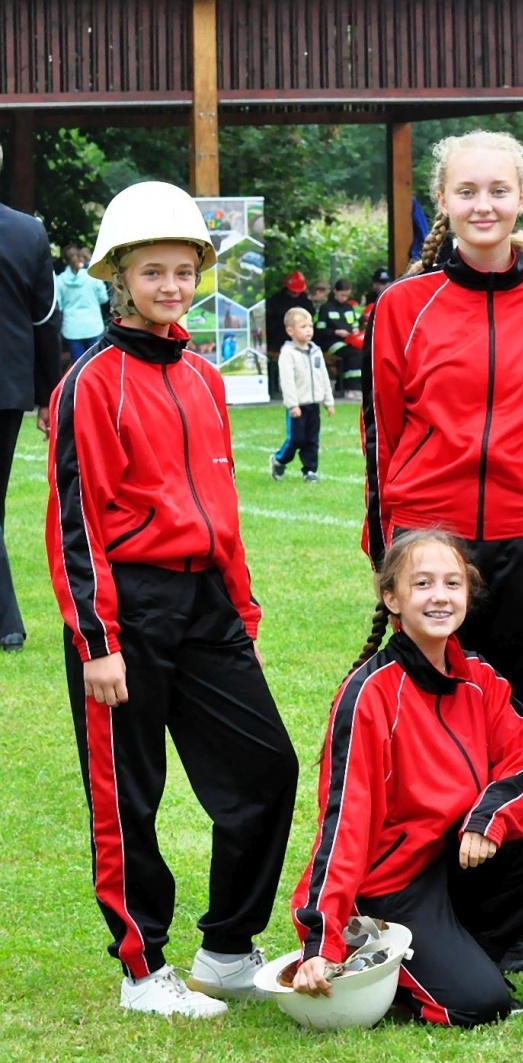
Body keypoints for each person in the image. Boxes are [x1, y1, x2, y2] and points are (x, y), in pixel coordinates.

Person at [45, 181, 298, 1017]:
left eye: (184, 271)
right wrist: (98, 642)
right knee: (130, 795)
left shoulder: (201, 376)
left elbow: (221, 508)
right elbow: (76, 525)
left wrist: (243, 615)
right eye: (153, 271)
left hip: (208, 605)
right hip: (128, 610)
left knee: (268, 766)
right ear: (120, 276)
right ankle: (141, 967)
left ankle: (228, 947)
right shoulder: (90, 382)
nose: (172, 286)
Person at [290, 529, 523, 1027]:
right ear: (391, 597)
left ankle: (472, 947)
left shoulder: (479, 678)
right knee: (478, 1004)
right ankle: (388, 955)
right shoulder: (369, 695)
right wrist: (320, 938)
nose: (439, 596)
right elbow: (343, 825)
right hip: (396, 886)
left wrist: (488, 816)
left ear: (468, 594)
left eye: (452, 583)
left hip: (458, 863)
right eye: (422, 584)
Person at [364, 129, 523, 747]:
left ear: (522, 196)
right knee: (431, 717)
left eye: (498, 190)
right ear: (443, 199)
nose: (483, 205)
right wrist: (387, 556)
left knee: (522, 717)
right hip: (431, 539)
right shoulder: (401, 306)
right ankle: (437, 842)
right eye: (466, 191)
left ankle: (516, 838)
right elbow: (380, 437)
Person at [0, 150, 61, 653]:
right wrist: (47, 394)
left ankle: (7, 622)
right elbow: (45, 322)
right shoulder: (28, 232)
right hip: (8, 385)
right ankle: (7, 624)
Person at [271, 307, 335, 482]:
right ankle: (279, 460)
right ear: (290, 331)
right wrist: (293, 405)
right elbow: (287, 381)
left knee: (312, 440)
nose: (308, 330)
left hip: (313, 404)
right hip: (298, 406)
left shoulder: (316, 351)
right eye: (303, 326)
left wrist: (328, 401)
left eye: (310, 326)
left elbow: (323, 375)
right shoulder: (288, 354)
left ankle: (310, 470)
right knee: (296, 439)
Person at [55, 242, 109, 362]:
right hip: (94, 326)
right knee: (97, 362)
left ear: (64, 260)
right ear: (80, 257)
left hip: (72, 329)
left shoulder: (59, 281)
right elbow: (104, 298)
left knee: (78, 365)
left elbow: (59, 306)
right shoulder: (92, 277)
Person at [264, 270, 313, 399]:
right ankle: (272, 389)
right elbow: (269, 323)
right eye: (293, 291)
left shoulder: (305, 302)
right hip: (278, 339)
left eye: (298, 292)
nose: (296, 294)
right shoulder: (275, 301)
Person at [312, 277, 360, 388]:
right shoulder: (326, 308)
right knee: (354, 354)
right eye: (342, 295)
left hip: (349, 341)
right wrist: (335, 332)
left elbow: (354, 324)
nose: (345, 298)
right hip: (331, 342)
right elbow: (320, 331)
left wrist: (355, 330)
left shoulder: (349, 308)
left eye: (347, 295)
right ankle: (350, 386)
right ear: (335, 291)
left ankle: (351, 384)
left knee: (361, 352)